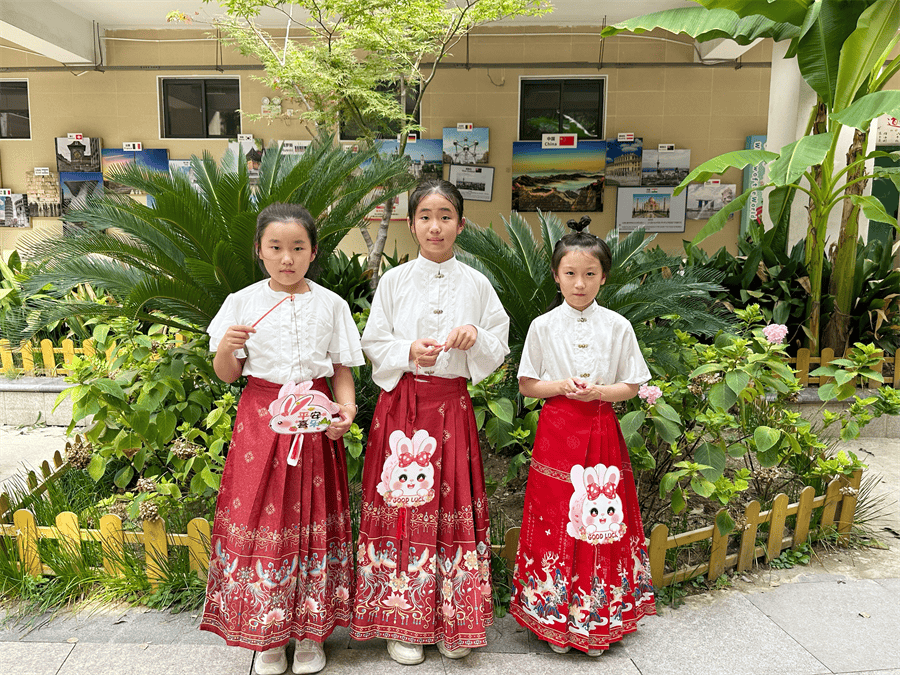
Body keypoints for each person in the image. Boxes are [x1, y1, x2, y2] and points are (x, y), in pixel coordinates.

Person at [350, 179, 510, 664]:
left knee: (451, 501)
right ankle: (403, 623)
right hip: (401, 408)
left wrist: (474, 335)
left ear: (461, 224)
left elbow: (498, 345)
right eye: (425, 216)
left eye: (445, 216)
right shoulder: (395, 282)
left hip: (451, 408)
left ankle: (454, 620)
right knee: (403, 508)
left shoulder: (478, 284)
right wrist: (407, 351)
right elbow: (373, 343)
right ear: (411, 222)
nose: (434, 226)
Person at [200, 203, 363, 675]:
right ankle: (266, 636)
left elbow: (340, 370)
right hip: (261, 420)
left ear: (314, 252)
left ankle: (311, 635)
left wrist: (346, 411)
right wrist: (228, 349)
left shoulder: (331, 304)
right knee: (261, 519)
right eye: (276, 248)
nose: (286, 258)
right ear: (259, 251)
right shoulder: (241, 302)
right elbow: (228, 375)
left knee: (314, 519)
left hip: (313, 420)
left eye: (297, 248)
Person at [509, 218, 656, 655]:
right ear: (556, 275)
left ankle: (598, 618)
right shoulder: (542, 325)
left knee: (601, 518)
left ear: (604, 277)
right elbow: (527, 384)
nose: (579, 283)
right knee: (557, 516)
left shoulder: (618, 326)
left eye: (590, 274)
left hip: (601, 429)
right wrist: (561, 386)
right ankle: (552, 617)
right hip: (557, 429)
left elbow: (631, 384)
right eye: (570, 274)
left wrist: (599, 392)